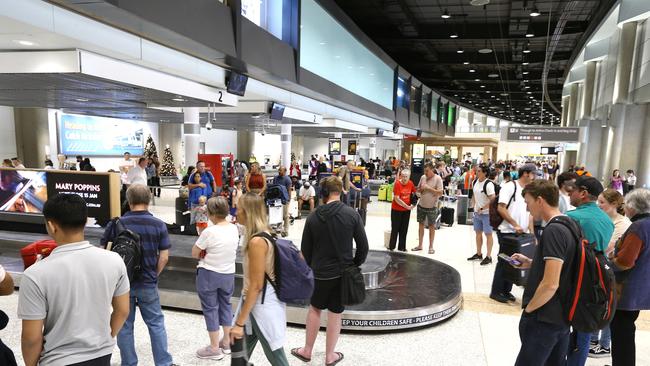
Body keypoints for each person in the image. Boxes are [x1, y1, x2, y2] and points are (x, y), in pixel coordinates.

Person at [19, 193, 130, 366]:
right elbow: (122, 311)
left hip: (58, 360)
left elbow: (31, 338)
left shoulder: (35, 275)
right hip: (102, 356)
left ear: (51, 225)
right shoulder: (114, 260)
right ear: (85, 221)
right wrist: (106, 338)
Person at [292, 176, 368, 366]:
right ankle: (330, 356)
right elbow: (363, 247)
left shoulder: (313, 216)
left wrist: (311, 268)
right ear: (342, 191)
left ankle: (307, 350)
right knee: (335, 313)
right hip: (342, 273)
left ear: (323, 193)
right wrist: (354, 264)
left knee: (315, 309)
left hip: (319, 273)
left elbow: (306, 251)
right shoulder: (352, 215)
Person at [100, 185, 175, 366]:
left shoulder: (116, 223)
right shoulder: (158, 225)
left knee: (124, 326)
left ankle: (129, 362)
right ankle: (163, 363)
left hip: (121, 285)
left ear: (129, 201)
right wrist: (153, 274)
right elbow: (164, 257)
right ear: (149, 200)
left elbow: (103, 252)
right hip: (148, 283)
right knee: (156, 323)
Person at [510, 180, 577, 366]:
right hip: (562, 315)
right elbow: (565, 268)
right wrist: (533, 263)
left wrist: (529, 310)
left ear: (540, 200)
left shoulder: (553, 230)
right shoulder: (570, 223)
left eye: (528, 202)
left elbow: (551, 284)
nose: (527, 208)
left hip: (545, 317)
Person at [229, 193, 290, 365]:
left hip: (262, 306)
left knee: (277, 357)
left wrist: (240, 323)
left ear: (248, 212)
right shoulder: (263, 234)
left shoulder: (257, 242)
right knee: (241, 353)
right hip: (257, 304)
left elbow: (256, 285)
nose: (236, 212)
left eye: (238, 209)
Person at [566, 176, 614, 366]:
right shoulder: (607, 220)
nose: (570, 194)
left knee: (563, 328)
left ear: (583, 193)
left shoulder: (572, 217)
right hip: (599, 278)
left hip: (573, 278)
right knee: (584, 330)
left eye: (573, 190)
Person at [191, 197, 239, 360]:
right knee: (225, 305)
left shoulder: (209, 232)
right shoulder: (234, 229)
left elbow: (195, 253)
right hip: (228, 274)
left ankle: (213, 348)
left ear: (210, 213)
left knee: (211, 309)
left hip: (209, 274)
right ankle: (226, 343)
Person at [609, 188, 650, 366]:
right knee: (626, 328)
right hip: (644, 284)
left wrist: (609, 263)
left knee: (621, 332)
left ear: (632, 207)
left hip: (628, 288)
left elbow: (625, 261)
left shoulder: (638, 227)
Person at [588, 189, 631, 358]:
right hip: (600, 266)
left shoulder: (623, 224)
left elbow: (607, 247)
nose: (598, 206)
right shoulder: (604, 219)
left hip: (612, 271)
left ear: (614, 204)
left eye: (602, 203)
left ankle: (605, 344)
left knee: (607, 305)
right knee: (598, 302)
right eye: (598, 202)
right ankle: (593, 338)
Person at [490, 163, 537, 303]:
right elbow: (501, 208)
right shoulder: (510, 186)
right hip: (506, 231)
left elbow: (529, 213)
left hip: (520, 233)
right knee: (504, 260)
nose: (535, 177)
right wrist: (515, 224)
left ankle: (506, 290)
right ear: (526, 173)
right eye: (534, 174)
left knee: (514, 261)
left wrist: (532, 232)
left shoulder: (528, 189)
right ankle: (496, 291)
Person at [468, 165, 496, 265]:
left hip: (487, 214)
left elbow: (493, 200)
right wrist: (473, 206)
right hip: (477, 213)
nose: (477, 173)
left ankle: (488, 256)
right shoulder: (474, 182)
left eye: (479, 171)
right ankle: (479, 253)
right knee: (478, 233)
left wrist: (482, 208)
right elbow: (474, 195)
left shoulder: (489, 185)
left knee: (488, 234)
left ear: (485, 173)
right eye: (477, 171)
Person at [413, 162, 443, 254]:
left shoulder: (438, 179)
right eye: (424, 171)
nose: (425, 173)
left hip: (432, 207)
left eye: (427, 171)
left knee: (431, 226)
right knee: (421, 225)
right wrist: (420, 189)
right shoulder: (423, 177)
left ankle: (431, 246)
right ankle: (420, 245)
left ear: (432, 169)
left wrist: (429, 188)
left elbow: (440, 193)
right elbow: (418, 190)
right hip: (421, 205)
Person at [388, 169, 417, 252]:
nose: (404, 178)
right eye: (403, 176)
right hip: (396, 209)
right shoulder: (397, 184)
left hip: (406, 210)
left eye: (406, 177)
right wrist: (406, 206)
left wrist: (413, 205)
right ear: (400, 176)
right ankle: (392, 246)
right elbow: (396, 198)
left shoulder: (410, 183)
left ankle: (402, 247)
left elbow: (414, 194)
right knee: (395, 228)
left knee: (404, 229)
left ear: (409, 177)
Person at [273, 166, 293, 237]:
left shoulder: (287, 179)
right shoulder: (275, 178)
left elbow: (289, 190)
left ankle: (285, 231)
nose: (279, 171)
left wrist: (289, 200)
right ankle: (278, 229)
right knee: (277, 214)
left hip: (284, 199)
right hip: (277, 199)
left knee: (285, 216)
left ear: (285, 171)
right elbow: (274, 187)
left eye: (280, 170)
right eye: (279, 170)